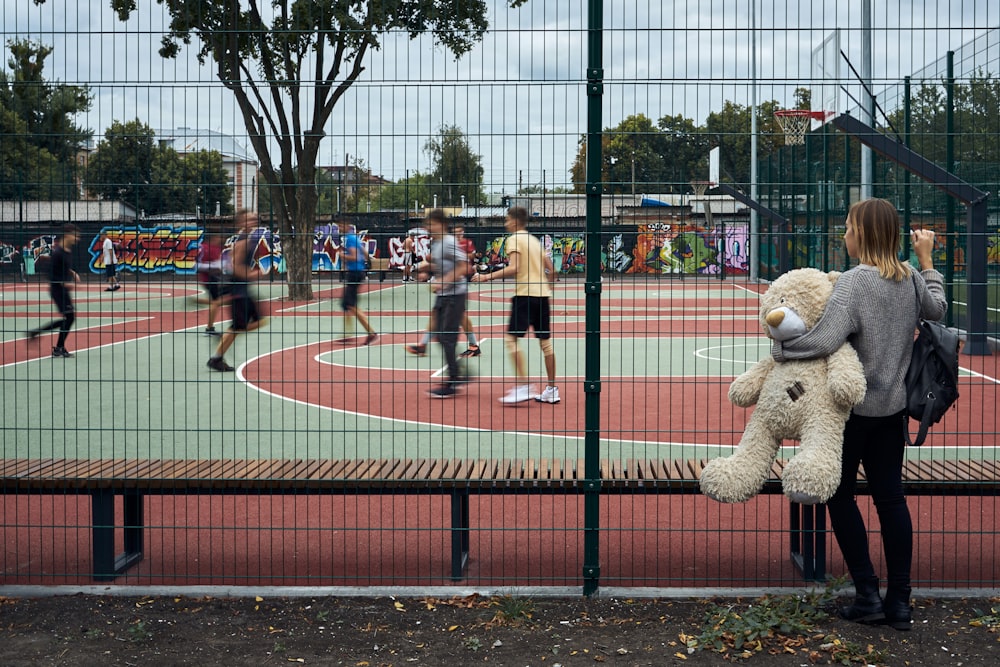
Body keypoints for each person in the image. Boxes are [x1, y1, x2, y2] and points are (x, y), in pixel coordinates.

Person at [772, 198, 946, 631]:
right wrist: (926, 261)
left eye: (849, 226)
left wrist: (780, 349)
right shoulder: (909, 280)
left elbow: (824, 340)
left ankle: (867, 592)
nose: (844, 233)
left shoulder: (853, 283)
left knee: (839, 494)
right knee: (891, 499)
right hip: (894, 411)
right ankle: (900, 601)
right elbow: (938, 311)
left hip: (850, 412)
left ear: (864, 233)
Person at [471, 206, 559, 404]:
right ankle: (552, 389)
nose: (506, 223)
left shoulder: (514, 239)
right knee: (546, 344)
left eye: (507, 220)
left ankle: (523, 386)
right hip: (542, 297)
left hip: (525, 296)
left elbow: (515, 268)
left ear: (515, 221)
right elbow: (552, 271)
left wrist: (487, 277)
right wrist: (548, 290)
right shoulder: (535, 241)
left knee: (511, 340)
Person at [413, 210, 469, 399]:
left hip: (455, 295)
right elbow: (442, 265)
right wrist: (426, 270)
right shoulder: (436, 244)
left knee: (447, 337)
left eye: (431, 224)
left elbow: (464, 266)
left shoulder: (449, 242)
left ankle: (453, 381)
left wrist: (444, 280)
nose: (428, 227)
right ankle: (459, 372)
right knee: (439, 334)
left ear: (442, 224)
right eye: (427, 224)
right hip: (444, 295)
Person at [206, 211, 268, 372]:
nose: (253, 221)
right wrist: (253, 274)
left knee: (259, 321)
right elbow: (235, 266)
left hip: (242, 290)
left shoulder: (245, 239)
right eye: (248, 219)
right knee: (245, 325)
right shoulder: (244, 242)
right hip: (239, 291)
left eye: (255, 218)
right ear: (241, 222)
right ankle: (217, 357)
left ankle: (222, 346)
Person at [28, 224, 81, 358]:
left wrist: (72, 272)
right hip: (57, 290)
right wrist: (61, 283)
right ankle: (53, 344)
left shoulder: (67, 250)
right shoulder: (58, 252)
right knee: (69, 317)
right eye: (75, 235)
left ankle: (56, 346)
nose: (77, 238)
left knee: (69, 317)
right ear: (67, 234)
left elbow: (63, 266)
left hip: (62, 289)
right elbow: (49, 273)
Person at [336, 219, 378, 346]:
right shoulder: (354, 238)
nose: (339, 228)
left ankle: (371, 333)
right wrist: (367, 262)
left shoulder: (349, 239)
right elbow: (364, 252)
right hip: (356, 273)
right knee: (345, 304)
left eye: (340, 225)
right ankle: (347, 334)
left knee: (351, 305)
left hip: (354, 274)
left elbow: (354, 256)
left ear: (346, 225)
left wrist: (343, 256)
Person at [196, 230, 226, 336]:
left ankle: (198, 301)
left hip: (216, 278)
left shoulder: (218, 248)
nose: (221, 239)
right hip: (208, 279)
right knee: (216, 302)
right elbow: (197, 265)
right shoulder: (203, 248)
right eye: (219, 236)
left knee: (222, 300)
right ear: (213, 237)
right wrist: (214, 266)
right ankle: (209, 328)